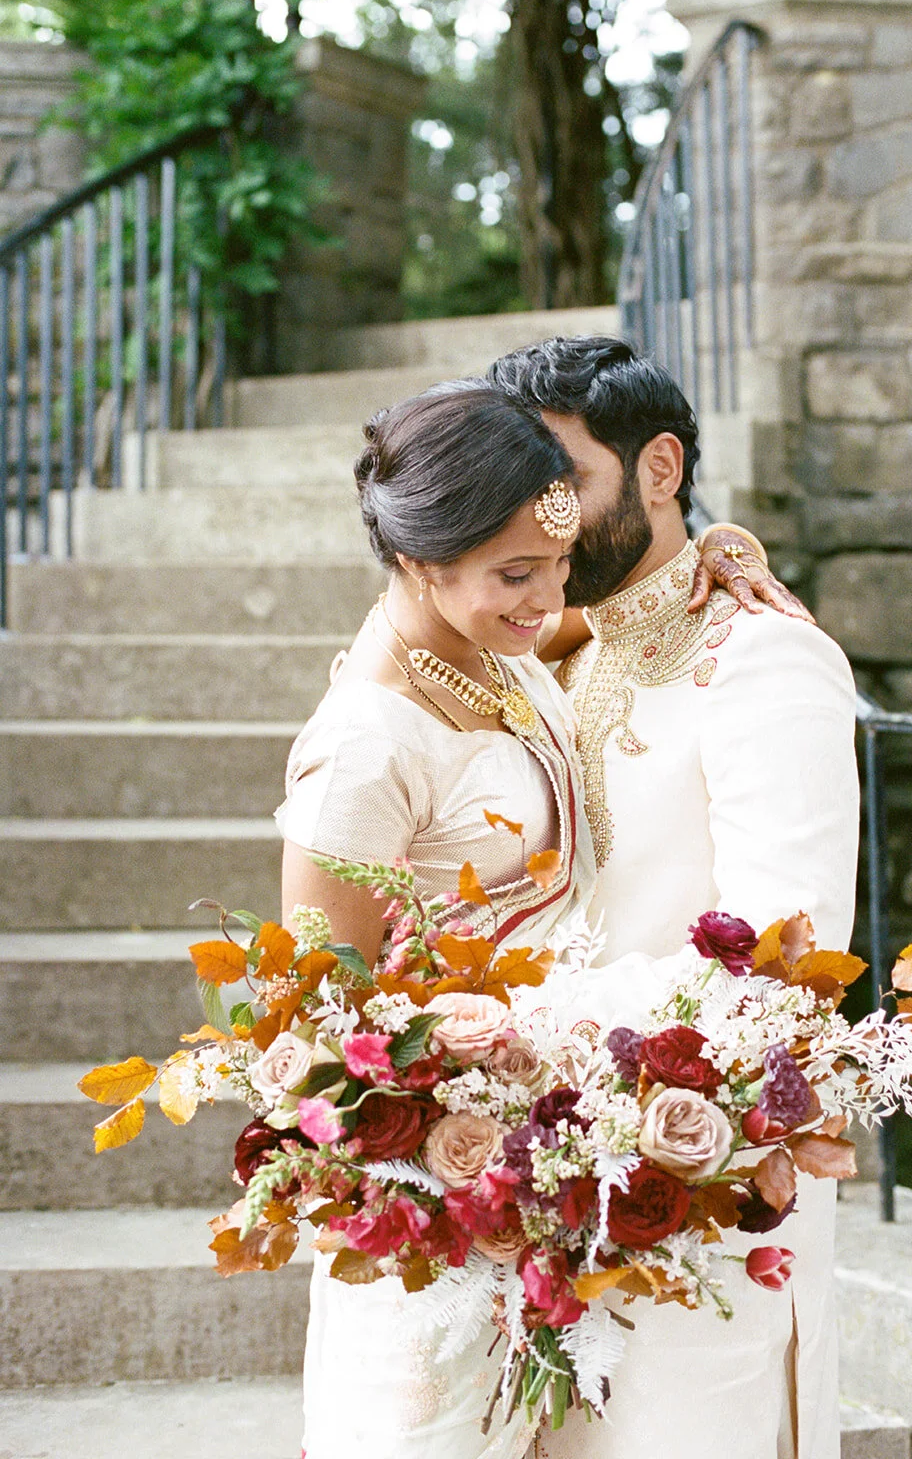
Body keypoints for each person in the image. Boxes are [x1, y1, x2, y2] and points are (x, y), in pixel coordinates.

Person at [275, 377, 789, 1459]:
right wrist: (447, 1170)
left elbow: (597, 612)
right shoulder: (368, 742)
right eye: (519, 572)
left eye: (556, 564)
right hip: (429, 1209)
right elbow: (313, 1020)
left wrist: (719, 559)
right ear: (420, 560)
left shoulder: (486, 645)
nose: (548, 597)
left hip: (535, 1169)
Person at [487, 335, 860, 1459]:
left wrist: (513, 1037)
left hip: (706, 1197)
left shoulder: (764, 663)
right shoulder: (562, 647)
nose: (528, 525)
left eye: (559, 488)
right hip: (549, 1179)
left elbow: (784, 969)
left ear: (659, 468)